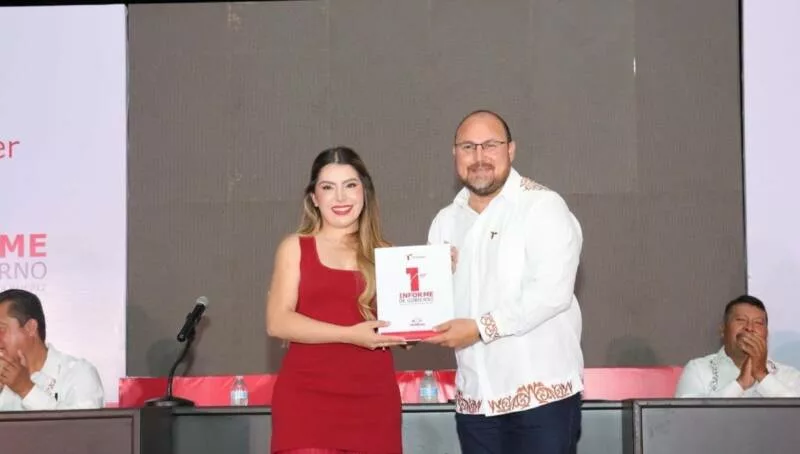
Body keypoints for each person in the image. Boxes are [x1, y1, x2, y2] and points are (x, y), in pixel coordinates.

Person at [425, 110, 584, 453]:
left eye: (490, 145)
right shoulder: (445, 222)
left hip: (541, 399)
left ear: (511, 150)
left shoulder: (542, 206)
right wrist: (420, 310)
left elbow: (551, 293)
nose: (479, 157)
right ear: (455, 154)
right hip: (476, 402)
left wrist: (480, 328)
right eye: (468, 147)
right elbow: (432, 306)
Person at [266, 147, 407, 454]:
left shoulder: (387, 253)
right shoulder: (295, 247)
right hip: (306, 402)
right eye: (328, 187)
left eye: (350, 185)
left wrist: (439, 275)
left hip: (374, 403)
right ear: (314, 198)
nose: (340, 197)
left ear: (364, 191)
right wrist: (349, 334)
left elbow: (405, 324)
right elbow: (278, 322)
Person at [674, 294, 800, 398]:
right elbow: (689, 417)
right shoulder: (698, 370)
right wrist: (739, 384)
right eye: (741, 320)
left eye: (758, 323)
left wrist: (762, 375)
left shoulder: (789, 375)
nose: (749, 328)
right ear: (723, 330)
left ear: (766, 334)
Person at [0, 289, 104, 411]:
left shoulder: (79, 373)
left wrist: (25, 389)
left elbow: (82, 422)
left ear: (30, 328)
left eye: (1, 329)